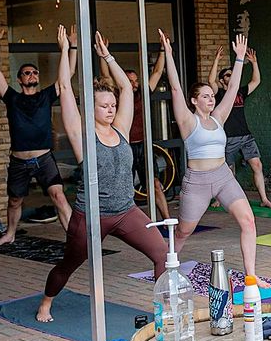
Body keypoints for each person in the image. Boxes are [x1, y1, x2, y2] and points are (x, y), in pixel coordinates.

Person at [35, 27, 171, 322]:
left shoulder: (120, 128)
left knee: (163, 253)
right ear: (91, 107)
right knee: (68, 265)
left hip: (126, 211)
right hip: (90, 216)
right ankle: (46, 301)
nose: (111, 110)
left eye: (112, 105)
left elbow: (126, 87)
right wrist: (65, 51)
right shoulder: (81, 134)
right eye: (104, 106)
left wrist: (107, 56)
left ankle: (164, 310)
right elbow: (65, 88)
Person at [159, 29, 266, 284]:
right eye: (205, 96)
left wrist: (240, 59)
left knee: (248, 221)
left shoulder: (218, 118)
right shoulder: (188, 121)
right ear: (194, 101)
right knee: (184, 231)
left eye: (211, 95)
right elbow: (174, 88)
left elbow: (230, 93)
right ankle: (163, 272)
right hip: (197, 181)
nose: (211, 99)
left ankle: (251, 275)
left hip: (223, 177)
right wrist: (169, 55)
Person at [0, 20, 74, 245]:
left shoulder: (46, 95)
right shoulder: (12, 98)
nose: (32, 75)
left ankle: (75, 239)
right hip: (19, 160)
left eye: (35, 72)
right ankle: (10, 233)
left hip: (44, 158)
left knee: (59, 196)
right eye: (27, 73)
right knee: (15, 201)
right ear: (20, 79)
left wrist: (69, 48)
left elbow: (67, 76)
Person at [102, 53, 172, 225]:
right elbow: (106, 75)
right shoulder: (117, 96)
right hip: (124, 147)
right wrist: (103, 55)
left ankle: (168, 221)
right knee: (124, 187)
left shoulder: (143, 93)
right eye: (129, 80)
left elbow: (156, 72)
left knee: (154, 183)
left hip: (143, 146)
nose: (133, 84)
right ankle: (128, 222)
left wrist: (163, 51)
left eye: (135, 80)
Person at [208, 46, 271, 209]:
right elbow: (211, 81)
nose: (231, 76)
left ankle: (264, 199)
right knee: (228, 172)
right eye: (227, 75)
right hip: (228, 138)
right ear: (222, 80)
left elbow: (256, 81)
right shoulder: (218, 93)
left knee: (257, 165)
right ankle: (220, 198)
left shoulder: (240, 92)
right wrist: (216, 60)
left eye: (232, 74)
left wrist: (254, 63)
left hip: (246, 136)